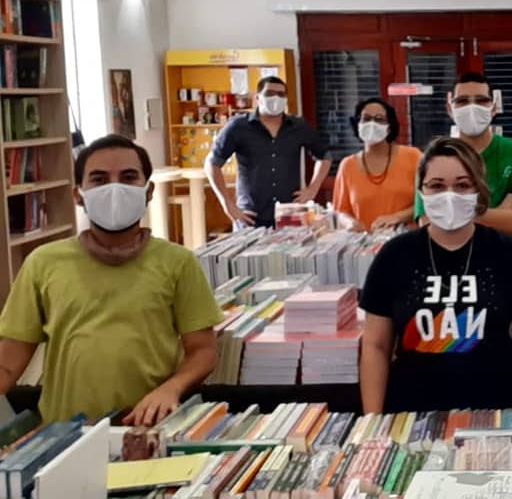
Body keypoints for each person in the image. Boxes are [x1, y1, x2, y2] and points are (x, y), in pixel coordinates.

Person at [0, 135, 223, 425]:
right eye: (99, 179)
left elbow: (203, 352)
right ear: (78, 195)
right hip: (65, 434)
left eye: (128, 177)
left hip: (147, 430)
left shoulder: (178, 262)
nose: (114, 188)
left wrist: (171, 389)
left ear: (148, 191)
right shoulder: (43, 263)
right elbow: (8, 362)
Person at [361, 137, 512, 413]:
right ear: (421, 191)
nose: (449, 196)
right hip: (410, 415)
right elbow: (376, 346)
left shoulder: (511, 254)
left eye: (462, 185)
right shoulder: (394, 256)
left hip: (494, 413)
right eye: (436, 186)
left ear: (479, 191)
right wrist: (372, 421)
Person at [414, 72, 512, 238]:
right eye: (462, 101)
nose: (472, 108)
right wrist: (502, 213)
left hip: (506, 252)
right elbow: (427, 224)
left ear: (494, 108)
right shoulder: (435, 159)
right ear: (450, 109)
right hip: (449, 253)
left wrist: (450, 215)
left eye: (481, 100)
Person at [206, 76, 331, 229]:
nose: (276, 98)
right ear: (257, 98)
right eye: (270, 93)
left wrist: (313, 189)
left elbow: (324, 156)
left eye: (281, 94)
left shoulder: (298, 127)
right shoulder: (238, 127)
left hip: (289, 214)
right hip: (250, 216)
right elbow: (212, 164)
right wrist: (227, 204)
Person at [333, 97, 421, 231]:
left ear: (389, 127)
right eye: (366, 118)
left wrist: (397, 217)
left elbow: (428, 201)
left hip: (407, 238)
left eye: (379, 119)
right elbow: (341, 211)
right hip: (366, 241)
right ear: (358, 124)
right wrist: (350, 223)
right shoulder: (347, 165)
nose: (372, 124)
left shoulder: (413, 157)